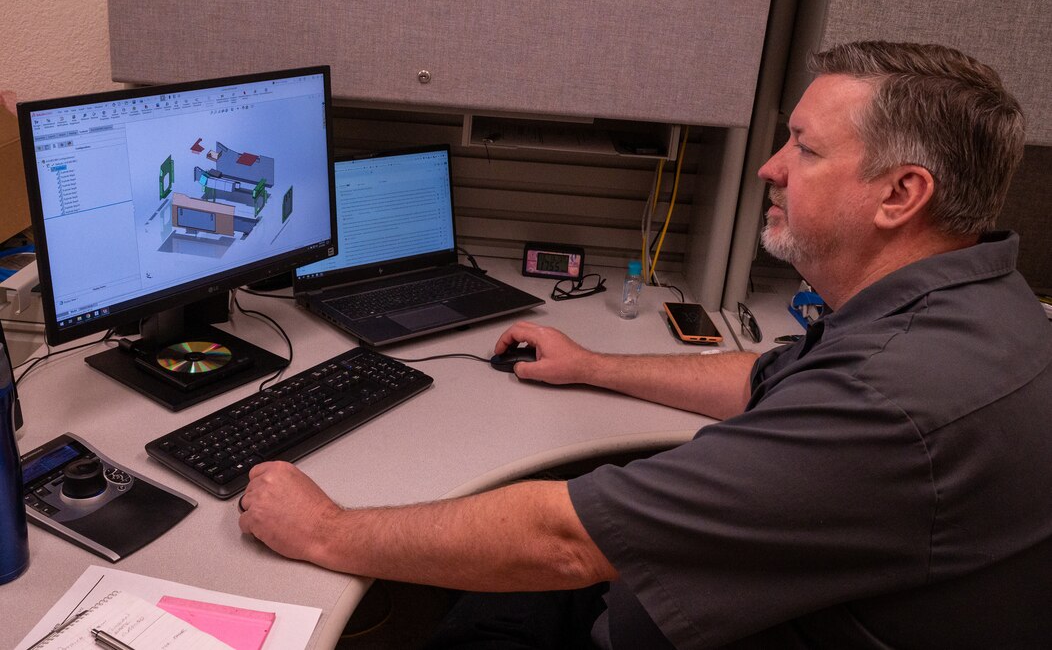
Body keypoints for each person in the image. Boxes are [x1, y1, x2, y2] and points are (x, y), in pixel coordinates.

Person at [238, 41, 1052, 648]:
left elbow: (562, 544)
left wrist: (327, 530)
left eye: (804, 148)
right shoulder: (979, 306)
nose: (769, 166)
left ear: (901, 194)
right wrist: (594, 366)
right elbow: (770, 376)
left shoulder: (891, 394)